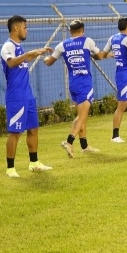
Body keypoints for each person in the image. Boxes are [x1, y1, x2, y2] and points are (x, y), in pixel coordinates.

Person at [1, 15, 54, 177]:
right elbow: (11, 63)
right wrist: (28, 54)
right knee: (15, 132)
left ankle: (34, 163)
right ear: (16, 28)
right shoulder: (7, 46)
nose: (26, 30)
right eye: (25, 27)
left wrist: (37, 53)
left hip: (27, 95)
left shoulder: (19, 47)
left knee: (33, 129)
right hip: (16, 96)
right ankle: (10, 168)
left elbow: (24, 60)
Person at [43, 19, 102, 158]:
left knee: (82, 116)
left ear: (70, 31)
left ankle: (85, 146)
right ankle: (69, 142)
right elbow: (99, 55)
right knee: (82, 116)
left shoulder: (62, 45)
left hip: (73, 84)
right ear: (83, 30)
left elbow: (49, 62)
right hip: (84, 83)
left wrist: (44, 58)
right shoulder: (87, 41)